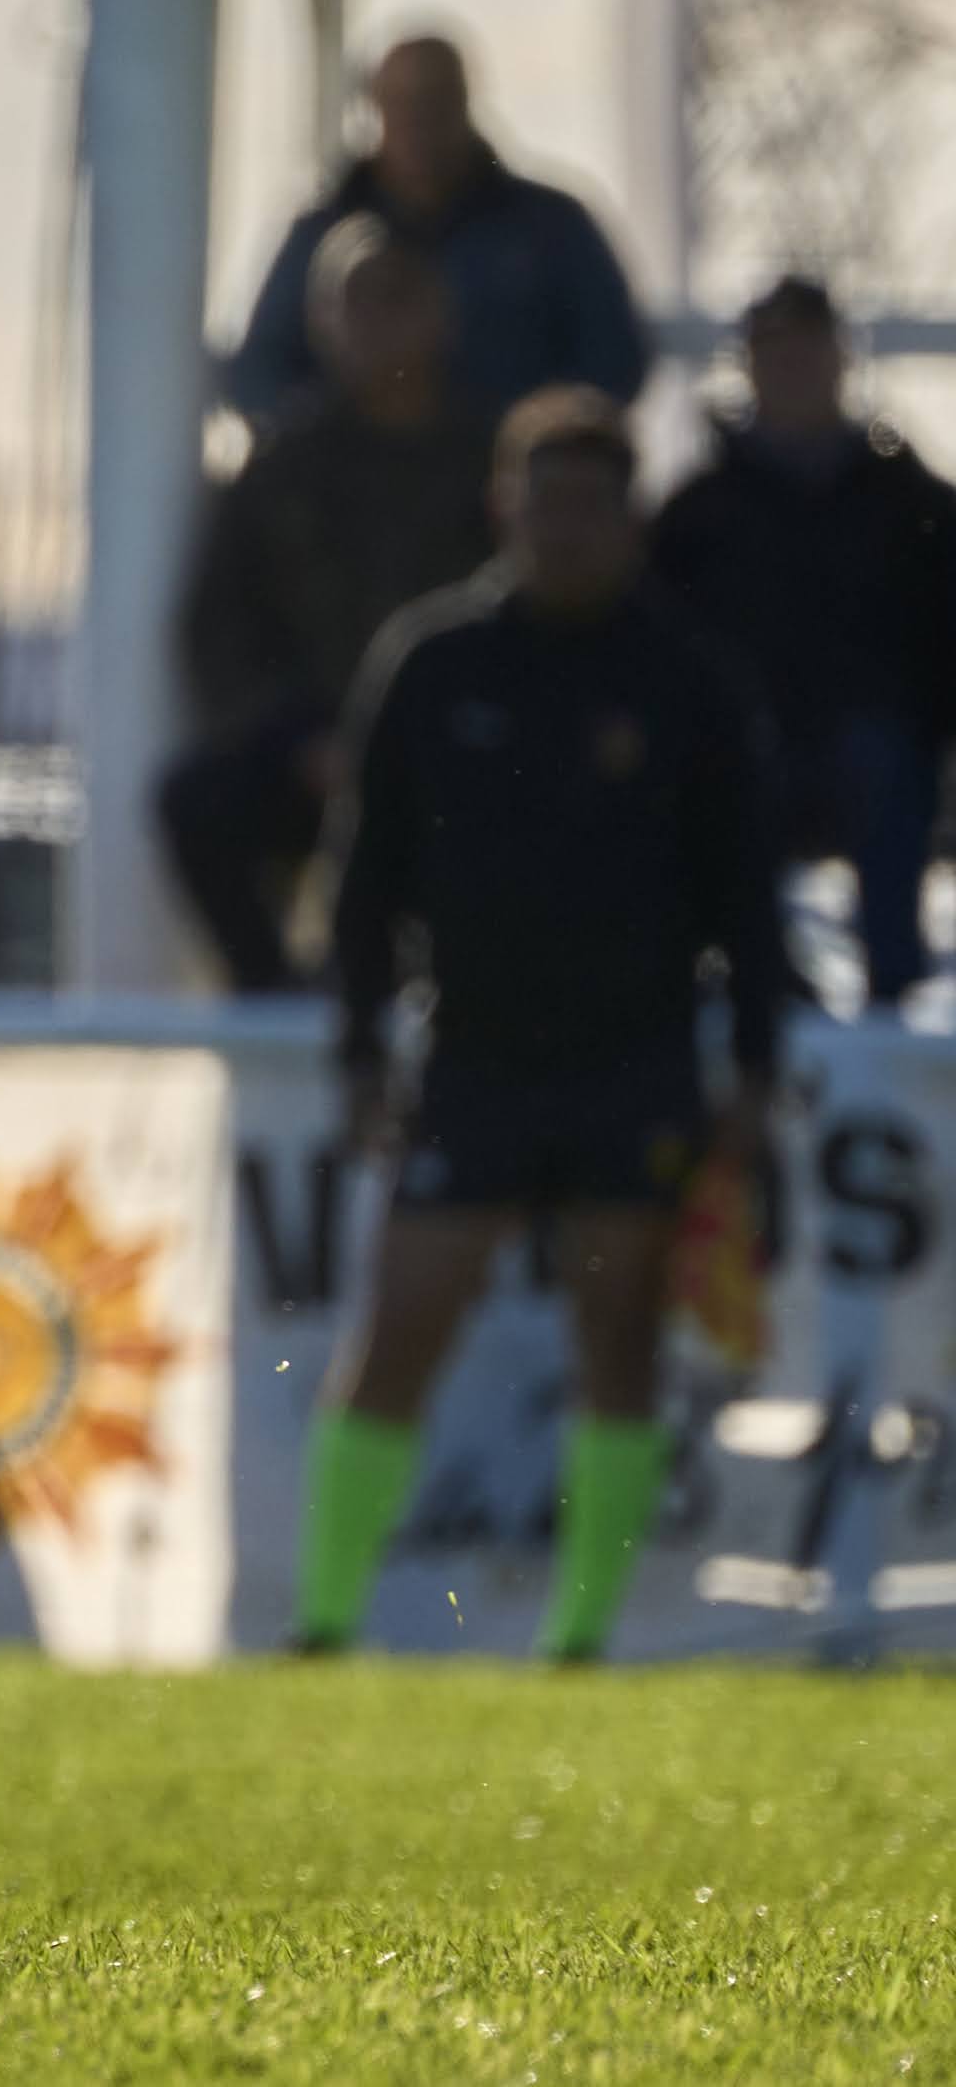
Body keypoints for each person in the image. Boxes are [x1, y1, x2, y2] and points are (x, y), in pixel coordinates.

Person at [294, 389, 785, 1664]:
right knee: (399, 1325)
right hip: (473, 1058)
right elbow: (362, 878)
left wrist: (753, 1066)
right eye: (542, 500)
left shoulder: (688, 679)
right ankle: (322, 1620)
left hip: (634, 1063)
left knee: (616, 1342)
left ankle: (578, 1644)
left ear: (630, 516)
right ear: (500, 505)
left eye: (589, 503)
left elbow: (746, 895)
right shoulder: (431, 659)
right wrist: (358, 1048)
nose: (563, 527)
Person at [157, 223, 500, 994]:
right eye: (357, 304)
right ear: (324, 323)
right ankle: (274, 995)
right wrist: (304, 741)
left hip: (467, 752)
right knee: (197, 801)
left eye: (399, 300)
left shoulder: (491, 463)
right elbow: (217, 629)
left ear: (442, 315)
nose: (379, 325)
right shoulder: (280, 470)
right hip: (315, 750)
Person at [648, 274, 956, 1013]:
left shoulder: (911, 503)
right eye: (776, 353)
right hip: (742, 747)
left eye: (811, 352)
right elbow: (658, 648)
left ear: (842, 360)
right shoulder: (698, 515)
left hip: (884, 747)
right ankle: (758, 986)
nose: (795, 371)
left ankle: (894, 992)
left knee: (883, 767)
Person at [225, 34, 647, 430]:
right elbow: (258, 374)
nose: (419, 120)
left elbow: (615, 363)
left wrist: (532, 434)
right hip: (352, 477)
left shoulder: (552, 228)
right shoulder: (320, 234)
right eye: (402, 102)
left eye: (436, 100)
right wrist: (337, 439)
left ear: (465, 101)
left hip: (505, 473)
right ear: (376, 107)